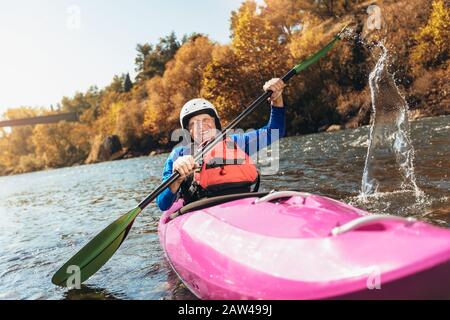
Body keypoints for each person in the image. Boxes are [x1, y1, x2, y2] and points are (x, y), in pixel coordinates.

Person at [156, 78, 286, 211]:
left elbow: (275, 131)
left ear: (215, 123)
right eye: (194, 123)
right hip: (201, 211)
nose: (201, 126)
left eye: (206, 119)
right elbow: (162, 203)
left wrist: (277, 99)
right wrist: (176, 180)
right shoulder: (179, 155)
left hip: (241, 204)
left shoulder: (236, 143)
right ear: (189, 131)